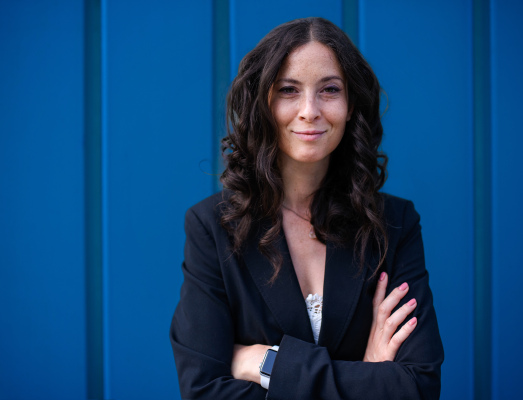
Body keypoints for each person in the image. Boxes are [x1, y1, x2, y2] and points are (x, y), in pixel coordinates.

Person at [170, 17, 443, 400]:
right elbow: (203, 391)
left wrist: (267, 363)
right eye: (288, 90)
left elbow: (418, 387)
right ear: (262, 103)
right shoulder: (212, 228)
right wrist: (367, 376)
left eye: (329, 89)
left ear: (351, 105)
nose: (310, 110)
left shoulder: (394, 225)